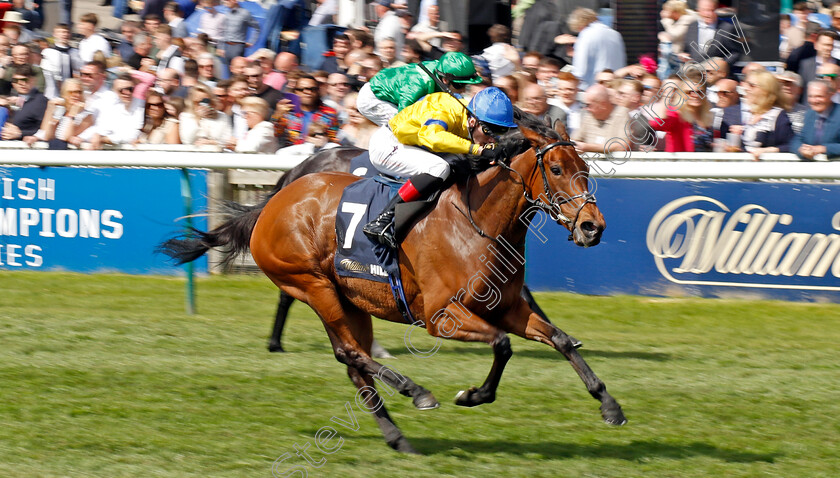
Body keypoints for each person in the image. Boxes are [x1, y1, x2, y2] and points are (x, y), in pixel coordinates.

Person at [362, 87, 516, 248]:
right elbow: (432, 137)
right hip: (388, 146)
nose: (492, 140)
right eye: (488, 132)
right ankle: (382, 220)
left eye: (499, 133)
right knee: (439, 168)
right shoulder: (446, 111)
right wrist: (478, 149)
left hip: (409, 144)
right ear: (473, 121)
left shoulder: (471, 114)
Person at [357, 51, 482, 127]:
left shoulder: (442, 69)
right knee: (406, 128)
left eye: (466, 85)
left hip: (394, 91)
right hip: (373, 99)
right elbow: (402, 119)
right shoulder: (417, 85)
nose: (463, 90)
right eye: (460, 85)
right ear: (445, 80)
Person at [736, 70, 794, 160]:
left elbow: (791, 145)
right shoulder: (749, 113)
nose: (746, 89)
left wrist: (768, 150)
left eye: (752, 85)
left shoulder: (778, 116)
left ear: (765, 90)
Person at [23, 78, 93, 149]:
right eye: (71, 92)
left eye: (79, 92)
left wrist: (72, 114)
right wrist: (50, 108)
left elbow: (65, 136)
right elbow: (47, 134)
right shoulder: (61, 111)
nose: (76, 95)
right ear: (64, 94)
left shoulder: (86, 116)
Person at [566, 7, 626, 89]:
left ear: (579, 24)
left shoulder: (585, 35)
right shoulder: (616, 34)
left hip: (593, 88)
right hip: (615, 87)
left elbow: (580, 71)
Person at [272, 73, 338, 146]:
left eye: (313, 89)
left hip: (319, 152)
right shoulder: (287, 111)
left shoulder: (329, 112)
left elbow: (334, 138)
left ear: (318, 91)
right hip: (291, 153)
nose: (308, 92)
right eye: (302, 89)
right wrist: (277, 115)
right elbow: (276, 134)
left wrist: (326, 141)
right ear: (295, 92)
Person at [680, 0, 744, 68]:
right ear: (698, 11)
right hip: (695, 73)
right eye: (705, 10)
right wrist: (684, 56)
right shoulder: (692, 27)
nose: (709, 14)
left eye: (712, 10)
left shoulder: (726, 28)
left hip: (716, 74)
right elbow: (687, 49)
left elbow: (736, 52)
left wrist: (723, 65)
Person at [571, 83, 632, 154]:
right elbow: (574, 140)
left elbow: (623, 146)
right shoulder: (589, 116)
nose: (586, 108)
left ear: (603, 104)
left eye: (589, 105)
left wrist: (587, 147)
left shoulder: (622, 114)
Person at [89, 74, 145, 149]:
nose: (127, 93)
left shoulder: (141, 105)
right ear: (115, 91)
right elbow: (102, 128)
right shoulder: (110, 105)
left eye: (130, 89)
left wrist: (106, 139)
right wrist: (98, 135)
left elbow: (132, 135)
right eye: (122, 90)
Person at [791, 80, 840, 160]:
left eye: (819, 96)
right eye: (810, 96)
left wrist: (824, 149)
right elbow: (796, 140)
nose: (814, 101)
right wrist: (801, 150)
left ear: (830, 95)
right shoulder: (809, 115)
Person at [0, 64, 47, 141]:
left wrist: (21, 134)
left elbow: (46, 131)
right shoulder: (16, 100)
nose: (20, 83)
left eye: (25, 80)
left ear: (33, 80)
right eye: (15, 80)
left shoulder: (40, 101)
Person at [218, 0, 259, 66]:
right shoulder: (228, 13)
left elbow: (257, 28)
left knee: (237, 69)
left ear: (234, 1)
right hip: (227, 46)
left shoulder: (245, 13)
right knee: (229, 71)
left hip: (237, 46)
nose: (225, 2)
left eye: (227, 0)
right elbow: (224, 31)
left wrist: (252, 41)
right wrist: (221, 47)